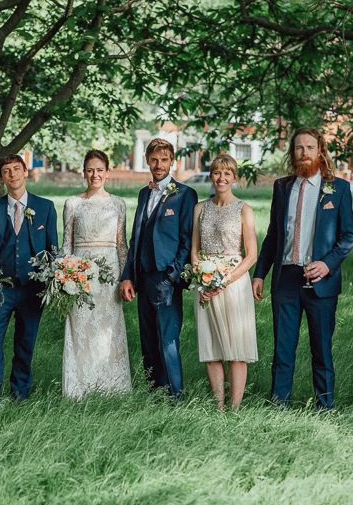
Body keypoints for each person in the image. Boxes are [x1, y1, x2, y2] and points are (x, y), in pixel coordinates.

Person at [253, 128, 353, 408]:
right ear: (292, 153)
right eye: (299, 148)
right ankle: (278, 404)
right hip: (286, 278)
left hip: (321, 279)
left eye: (310, 147)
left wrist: (327, 264)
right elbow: (273, 234)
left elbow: (348, 236)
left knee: (321, 348)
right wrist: (260, 273)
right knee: (283, 348)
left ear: (320, 151)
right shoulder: (282, 187)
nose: (304, 153)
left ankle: (325, 405)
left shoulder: (339, 188)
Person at [120, 138, 197, 398]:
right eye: (154, 160)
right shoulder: (144, 193)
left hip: (167, 277)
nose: (159, 164)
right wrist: (129, 276)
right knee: (149, 340)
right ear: (147, 161)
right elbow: (136, 237)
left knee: (168, 339)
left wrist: (174, 275)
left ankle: (175, 395)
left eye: (164, 160)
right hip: (144, 276)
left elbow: (187, 238)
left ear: (172, 161)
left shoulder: (184, 194)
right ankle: (155, 393)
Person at [0, 154, 58, 401]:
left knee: (25, 342)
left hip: (32, 286)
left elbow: (52, 248)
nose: (12, 174)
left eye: (16, 169)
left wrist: (52, 282)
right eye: (6, 170)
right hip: (0, 287)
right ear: (1, 177)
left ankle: (20, 392)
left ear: (25, 172)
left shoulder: (45, 207)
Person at [61, 149, 131, 398]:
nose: (95, 174)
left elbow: (122, 244)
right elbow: (66, 245)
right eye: (90, 170)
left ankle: (111, 386)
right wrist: (63, 276)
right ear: (84, 172)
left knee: (108, 327)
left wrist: (126, 277)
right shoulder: (73, 204)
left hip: (109, 272)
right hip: (80, 274)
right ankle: (80, 386)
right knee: (81, 326)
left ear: (108, 173)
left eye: (100, 170)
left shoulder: (118, 204)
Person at [191, 155, 258, 409]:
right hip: (204, 284)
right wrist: (202, 278)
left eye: (227, 174)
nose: (221, 178)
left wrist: (222, 281)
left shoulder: (244, 210)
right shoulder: (200, 208)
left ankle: (235, 407)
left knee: (236, 350)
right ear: (211, 175)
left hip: (234, 282)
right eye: (217, 173)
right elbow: (195, 249)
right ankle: (218, 405)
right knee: (212, 349)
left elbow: (251, 255)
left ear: (234, 178)